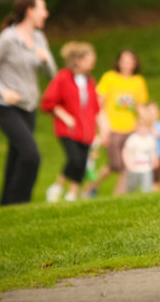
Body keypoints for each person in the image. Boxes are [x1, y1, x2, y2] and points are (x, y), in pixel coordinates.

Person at [0, 0, 56, 206]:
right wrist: (2, 92)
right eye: (43, 9)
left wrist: (45, 59)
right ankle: (20, 203)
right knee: (31, 155)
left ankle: (5, 206)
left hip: (29, 107)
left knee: (16, 155)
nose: (46, 13)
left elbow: (52, 75)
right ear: (30, 11)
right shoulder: (8, 39)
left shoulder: (39, 38)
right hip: (7, 108)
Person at [42, 42, 108, 202]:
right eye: (89, 59)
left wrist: (102, 130)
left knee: (83, 163)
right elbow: (48, 102)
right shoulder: (63, 77)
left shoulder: (90, 82)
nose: (92, 63)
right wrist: (64, 116)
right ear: (78, 60)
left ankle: (72, 194)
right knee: (74, 159)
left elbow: (95, 108)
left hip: (86, 132)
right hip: (68, 130)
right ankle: (57, 187)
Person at [84, 49, 149, 196]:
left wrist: (146, 125)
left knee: (126, 166)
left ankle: (118, 196)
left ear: (135, 63)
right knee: (115, 165)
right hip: (113, 128)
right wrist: (102, 125)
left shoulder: (138, 81)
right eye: (124, 60)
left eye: (130, 60)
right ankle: (90, 188)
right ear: (119, 62)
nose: (127, 63)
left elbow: (140, 106)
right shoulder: (110, 78)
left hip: (131, 129)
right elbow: (98, 101)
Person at [122, 106, 160, 194]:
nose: (143, 129)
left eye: (145, 127)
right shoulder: (133, 138)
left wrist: (155, 159)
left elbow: (152, 151)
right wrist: (127, 163)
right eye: (141, 127)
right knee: (130, 187)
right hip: (134, 168)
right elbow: (126, 150)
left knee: (147, 188)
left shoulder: (150, 139)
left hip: (146, 167)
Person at [146, 102, 160, 192]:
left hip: (158, 156)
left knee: (156, 179)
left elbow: (157, 134)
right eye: (149, 111)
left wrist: (148, 125)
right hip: (146, 156)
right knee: (147, 179)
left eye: (154, 112)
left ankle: (155, 193)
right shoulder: (144, 126)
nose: (152, 114)